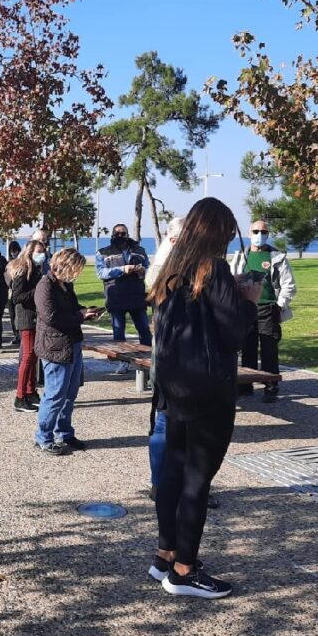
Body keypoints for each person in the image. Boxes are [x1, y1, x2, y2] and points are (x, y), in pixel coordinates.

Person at [148, 197, 260, 599]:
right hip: (209, 389)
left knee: (173, 475)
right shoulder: (213, 271)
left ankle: (165, 552)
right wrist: (248, 301)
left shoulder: (171, 271)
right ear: (218, 234)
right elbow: (234, 332)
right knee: (197, 480)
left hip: (175, 387)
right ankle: (183, 569)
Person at [33, 248, 101, 454]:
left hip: (72, 343)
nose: (77, 274)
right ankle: (43, 437)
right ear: (64, 266)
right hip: (55, 347)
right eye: (75, 269)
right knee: (55, 395)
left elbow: (71, 308)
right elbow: (52, 318)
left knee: (70, 393)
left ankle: (64, 432)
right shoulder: (45, 287)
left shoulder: (65, 285)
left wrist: (86, 311)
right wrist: (80, 317)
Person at [230, 219, 297, 402]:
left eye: (263, 232)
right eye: (256, 231)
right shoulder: (239, 256)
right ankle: (246, 385)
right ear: (249, 233)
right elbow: (232, 281)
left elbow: (289, 285)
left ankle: (271, 386)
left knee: (269, 348)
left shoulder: (276, 257)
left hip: (268, 308)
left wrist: (279, 305)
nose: (260, 235)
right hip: (246, 308)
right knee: (247, 347)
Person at [145, 216, 186, 503]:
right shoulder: (168, 269)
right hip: (174, 354)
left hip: (172, 353)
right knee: (165, 422)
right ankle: (162, 483)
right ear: (174, 240)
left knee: (169, 422)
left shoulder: (162, 268)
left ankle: (168, 483)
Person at [96, 224, 153, 348]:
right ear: (112, 236)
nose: (120, 236)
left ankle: (149, 360)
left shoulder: (140, 251)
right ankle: (122, 364)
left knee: (145, 331)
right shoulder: (103, 253)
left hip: (137, 297)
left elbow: (149, 269)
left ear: (128, 235)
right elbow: (101, 273)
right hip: (116, 298)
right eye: (117, 234)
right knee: (118, 334)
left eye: (123, 233)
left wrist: (143, 270)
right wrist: (122, 269)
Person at [8, 239, 45, 412]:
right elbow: (16, 297)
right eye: (38, 251)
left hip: (36, 318)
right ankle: (20, 397)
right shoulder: (22, 269)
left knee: (33, 356)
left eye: (43, 250)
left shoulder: (36, 269)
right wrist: (37, 289)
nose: (41, 254)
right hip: (26, 318)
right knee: (27, 356)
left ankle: (30, 391)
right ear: (29, 252)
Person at [5, 240, 22, 347]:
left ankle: (20, 335)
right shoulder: (9, 263)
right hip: (10, 292)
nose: (13, 253)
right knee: (12, 315)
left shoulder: (21, 262)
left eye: (15, 251)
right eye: (12, 251)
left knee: (19, 315)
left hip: (18, 291)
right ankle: (16, 335)